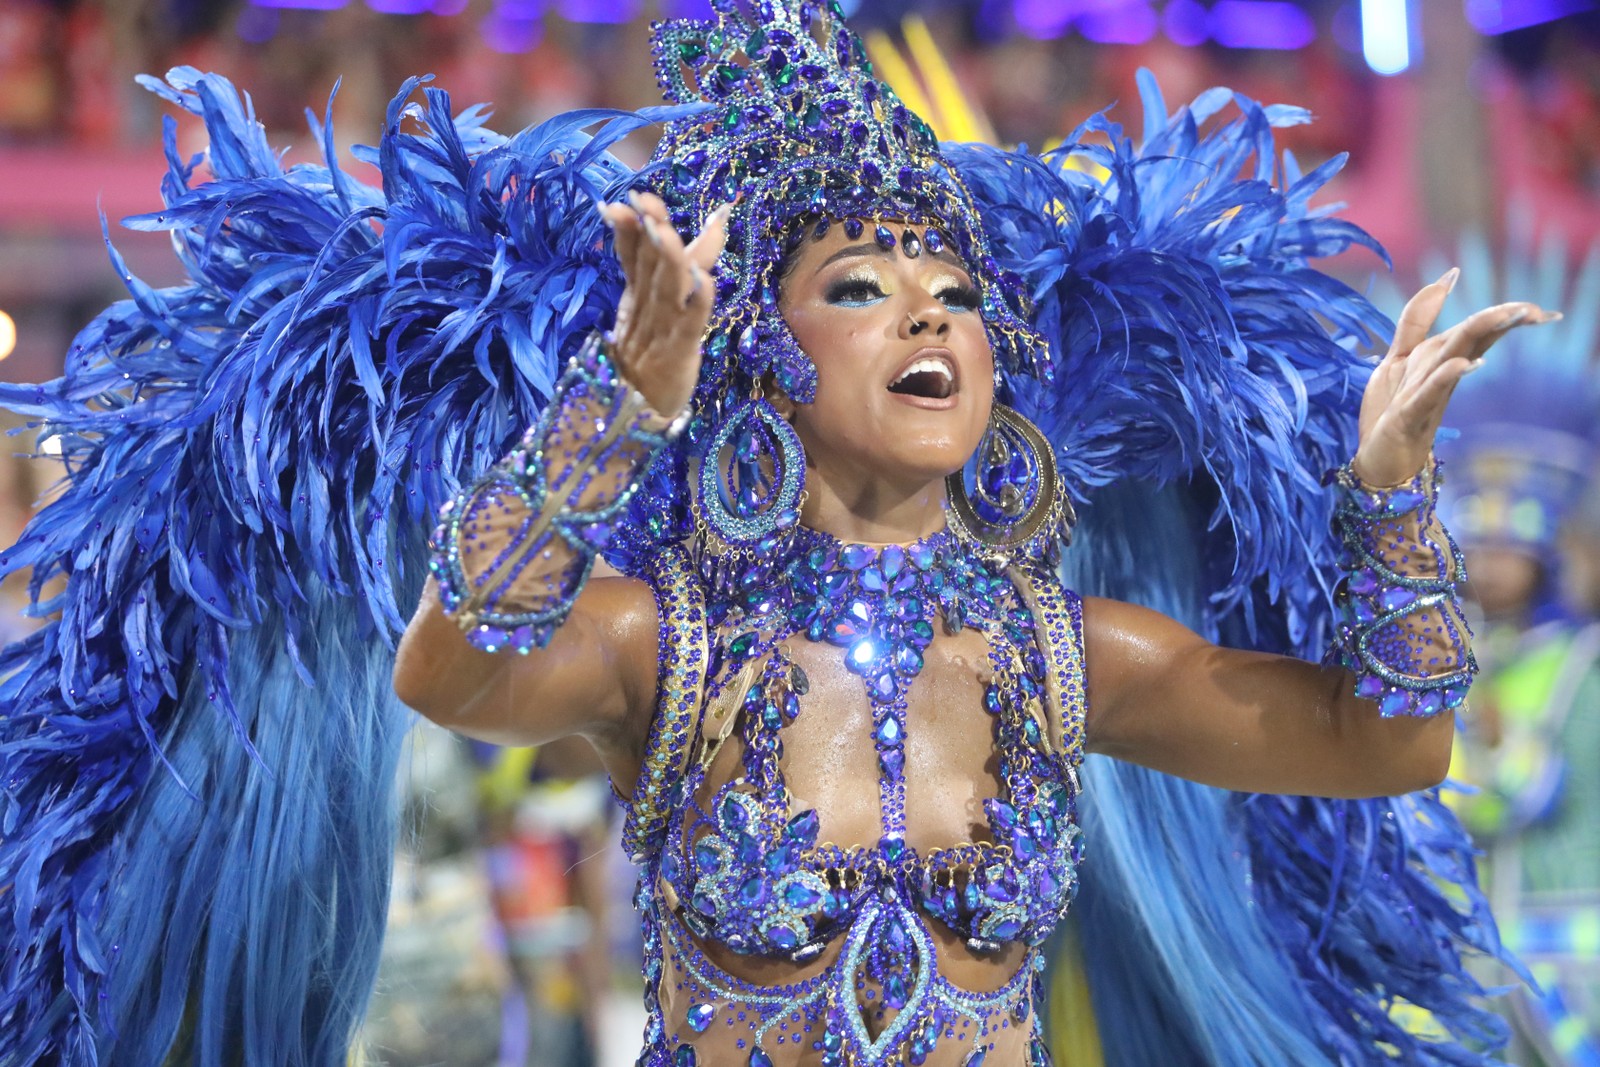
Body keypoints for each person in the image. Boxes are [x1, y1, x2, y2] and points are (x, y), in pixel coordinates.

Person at [0, 1, 1553, 1064]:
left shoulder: (1064, 651)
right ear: (766, 360)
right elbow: (454, 671)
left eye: (956, 299)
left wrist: (1392, 485)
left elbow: (1386, 744)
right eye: (864, 291)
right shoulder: (667, 635)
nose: (928, 318)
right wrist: (616, 403)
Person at [1436, 229, 1600, 1067]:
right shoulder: (1432, 656)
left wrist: (1487, 758)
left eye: (1512, 546)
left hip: (1574, 971)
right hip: (1465, 969)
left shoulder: (1588, 665)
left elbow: (1533, 788)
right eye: (1481, 545)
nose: (1494, 564)